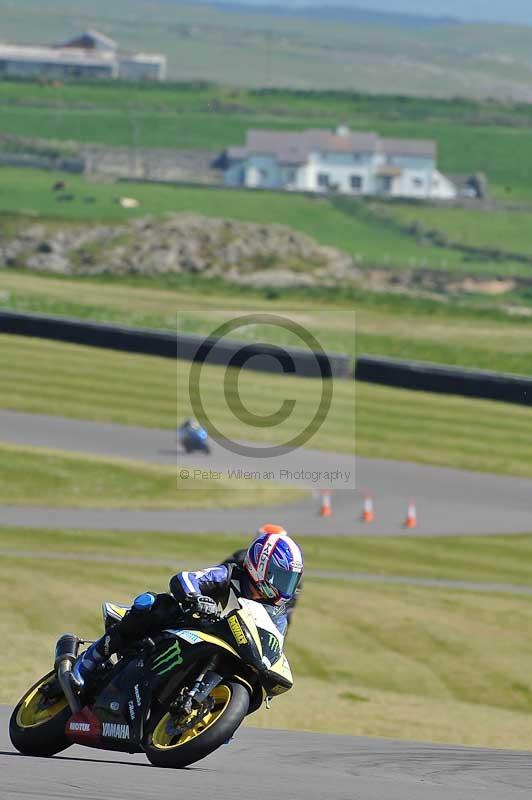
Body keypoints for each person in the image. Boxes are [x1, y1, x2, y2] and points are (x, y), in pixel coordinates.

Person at [71, 524, 303, 688]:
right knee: (158, 604)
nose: (285, 588)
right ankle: (91, 658)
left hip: (227, 649)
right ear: (262, 566)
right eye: (281, 578)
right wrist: (196, 598)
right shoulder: (230, 574)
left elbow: (275, 640)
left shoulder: (276, 612)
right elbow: (186, 579)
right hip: (188, 629)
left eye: (290, 581)